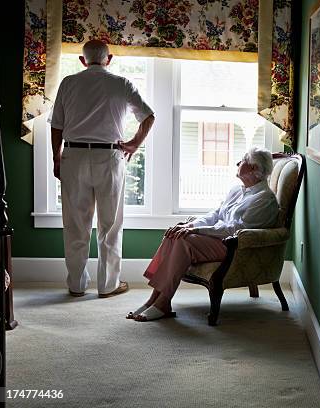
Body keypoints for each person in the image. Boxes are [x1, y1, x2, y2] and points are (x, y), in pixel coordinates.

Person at [50, 40, 155, 298]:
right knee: (110, 224)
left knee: (75, 224)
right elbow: (148, 116)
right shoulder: (122, 83)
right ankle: (108, 286)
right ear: (109, 58)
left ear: (83, 60)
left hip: (73, 156)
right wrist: (133, 144)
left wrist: (56, 157)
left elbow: (57, 126)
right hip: (109, 156)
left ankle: (76, 285)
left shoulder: (68, 83)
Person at [128, 147, 278, 322]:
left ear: (253, 167)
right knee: (174, 234)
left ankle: (163, 302)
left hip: (233, 246)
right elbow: (215, 214)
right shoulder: (237, 190)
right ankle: (155, 300)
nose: (238, 163)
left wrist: (196, 231)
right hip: (217, 238)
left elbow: (234, 230)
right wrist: (190, 225)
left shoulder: (264, 199)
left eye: (243, 160)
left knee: (184, 241)